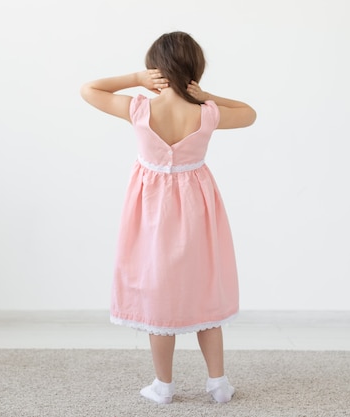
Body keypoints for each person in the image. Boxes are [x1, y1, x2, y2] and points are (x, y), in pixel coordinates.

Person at [80, 31, 256, 404]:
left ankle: (163, 386)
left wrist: (136, 79)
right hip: (198, 210)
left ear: (155, 68)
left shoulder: (140, 108)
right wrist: (207, 95)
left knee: (157, 292)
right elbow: (250, 114)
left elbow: (89, 89)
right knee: (204, 290)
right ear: (195, 68)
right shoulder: (207, 112)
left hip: (151, 214)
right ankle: (218, 383)